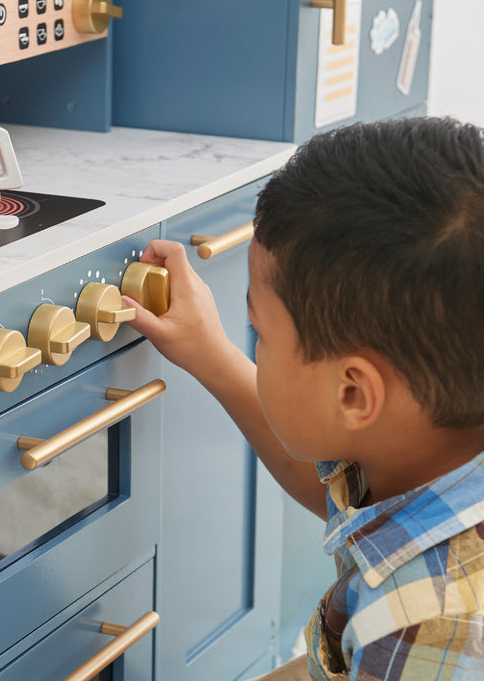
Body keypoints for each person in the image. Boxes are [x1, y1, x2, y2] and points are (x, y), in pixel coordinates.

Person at [123, 116, 484, 680]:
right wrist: (211, 355)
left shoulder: (425, 626)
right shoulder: (430, 450)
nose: (255, 343)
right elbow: (331, 485)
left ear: (353, 392)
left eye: (260, 333)